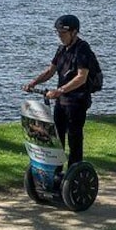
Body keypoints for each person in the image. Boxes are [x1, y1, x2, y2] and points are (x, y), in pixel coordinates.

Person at [23, 15, 97, 167]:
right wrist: (33, 83)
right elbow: (50, 71)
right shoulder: (61, 49)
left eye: (63, 33)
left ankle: (74, 172)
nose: (60, 36)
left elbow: (82, 77)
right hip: (61, 102)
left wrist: (60, 90)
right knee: (57, 139)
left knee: (74, 138)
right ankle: (56, 173)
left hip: (77, 102)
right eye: (58, 33)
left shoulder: (83, 49)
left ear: (74, 32)